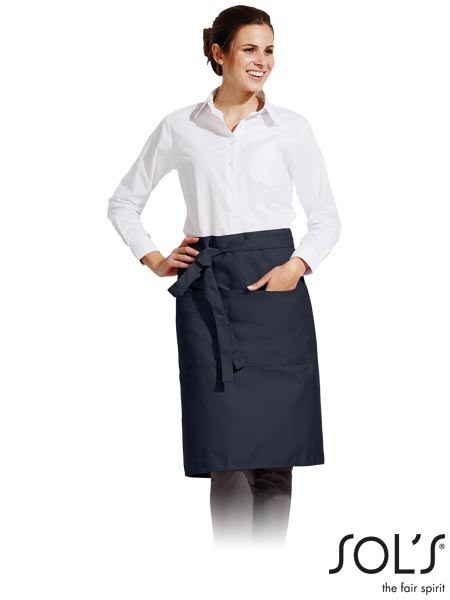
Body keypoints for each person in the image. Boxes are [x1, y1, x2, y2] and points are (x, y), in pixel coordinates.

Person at [107, 5, 341, 547]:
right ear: (219, 53)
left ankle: (270, 574)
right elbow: (123, 202)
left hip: (276, 296)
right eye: (249, 49)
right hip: (208, 298)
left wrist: (296, 267)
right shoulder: (180, 127)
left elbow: (326, 219)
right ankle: (233, 576)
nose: (262, 61)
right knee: (227, 457)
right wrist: (154, 258)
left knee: (277, 456)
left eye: (270, 50)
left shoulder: (291, 128)